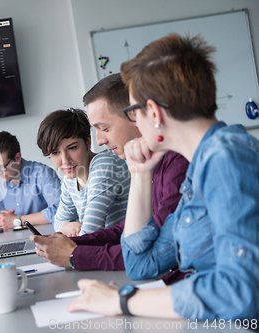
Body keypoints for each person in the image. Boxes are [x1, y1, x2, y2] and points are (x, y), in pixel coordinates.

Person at [68, 34, 259, 321]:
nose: (134, 121)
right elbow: (140, 265)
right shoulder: (200, 167)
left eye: (133, 111)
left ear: (154, 112)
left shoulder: (225, 160)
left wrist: (123, 301)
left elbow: (239, 294)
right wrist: (141, 174)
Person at [31, 74, 188, 284]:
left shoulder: (178, 163)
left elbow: (147, 254)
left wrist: (73, 254)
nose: (100, 140)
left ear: (137, 118)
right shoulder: (152, 162)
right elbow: (126, 229)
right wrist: (71, 243)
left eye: (104, 128)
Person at [36, 108, 130, 237]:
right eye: (55, 152)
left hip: (124, 250)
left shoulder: (104, 165)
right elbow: (58, 221)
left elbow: (91, 232)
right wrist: (67, 226)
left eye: (72, 148)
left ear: (88, 141)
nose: (65, 161)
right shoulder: (70, 180)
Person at [0, 131, 61, 230]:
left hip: (48, 238)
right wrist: (3, 223)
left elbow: (60, 211)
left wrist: (18, 220)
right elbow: (5, 221)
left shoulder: (43, 174)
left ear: (17, 157)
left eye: (1, 167)